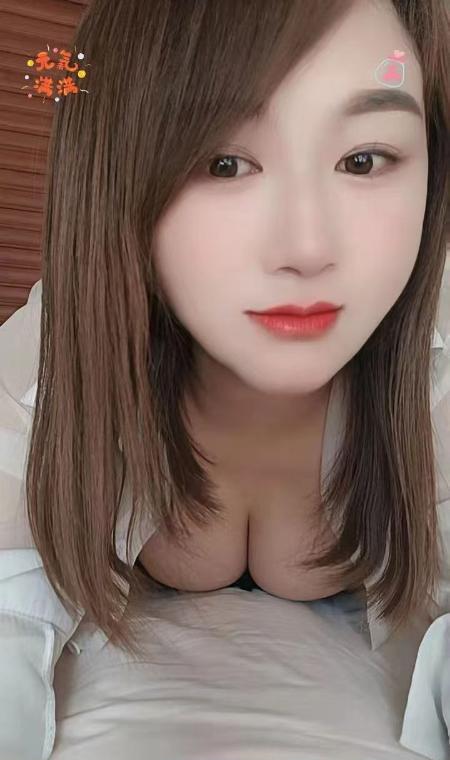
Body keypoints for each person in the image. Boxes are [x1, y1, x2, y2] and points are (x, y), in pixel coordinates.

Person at [0, 0, 449, 758]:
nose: (307, 247)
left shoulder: (438, 360)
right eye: (224, 163)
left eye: (364, 160)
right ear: (114, 178)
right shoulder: (51, 358)